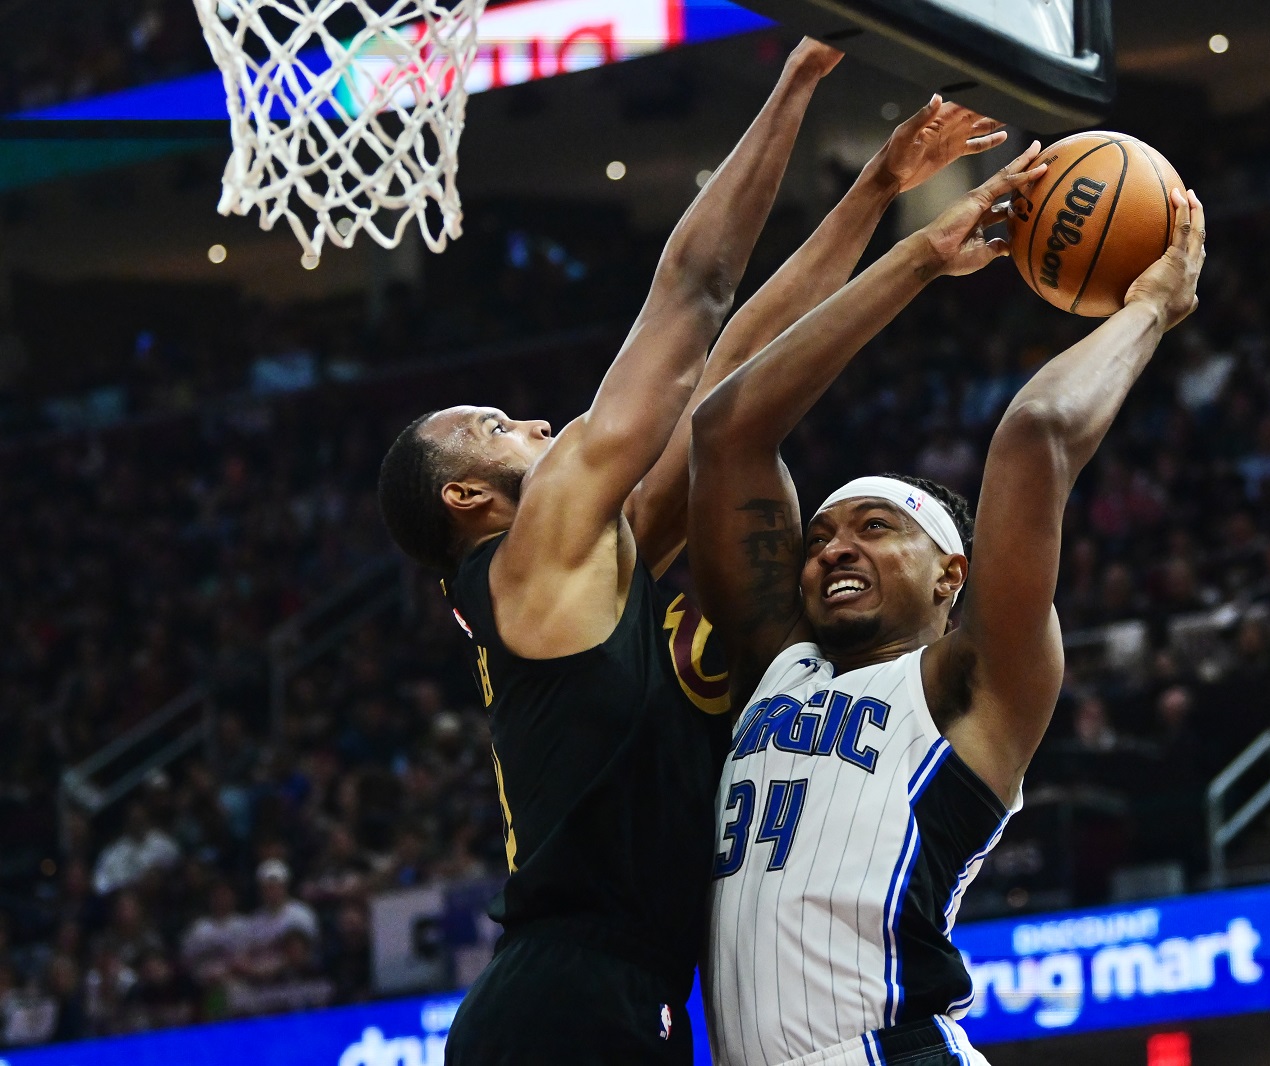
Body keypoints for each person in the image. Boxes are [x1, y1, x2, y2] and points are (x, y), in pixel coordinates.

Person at [377, 41, 1006, 1063]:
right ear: (466, 497)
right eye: (496, 426)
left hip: (627, 997)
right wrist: (799, 77)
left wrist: (878, 193)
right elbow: (694, 293)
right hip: (569, 999)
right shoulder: (528, 559)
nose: (533, 420)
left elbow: (736, 375)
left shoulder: (586, 563)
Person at [688, 146, 1205, 1065]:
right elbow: (727, 428)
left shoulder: (971, 685)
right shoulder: (779, 662)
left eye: (877, 526)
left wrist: (1151, 309)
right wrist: (919, 253)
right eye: (820, 538)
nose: (835, 546)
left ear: (950, 576)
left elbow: (1037, 432)